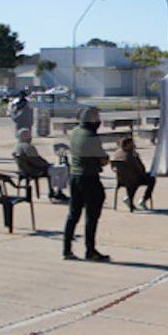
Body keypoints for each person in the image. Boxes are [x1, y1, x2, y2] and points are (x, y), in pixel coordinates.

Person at [62, 106, 110, 261]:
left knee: (73, 215)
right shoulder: (91, 136)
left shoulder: (75, 131)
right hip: (89, 178)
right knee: (91, 216)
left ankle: (66, 249)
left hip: (75, 176)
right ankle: (90, 250)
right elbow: (103, 160)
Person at [12, 128, 68, 201]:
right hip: (36, 170)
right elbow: (37, 161)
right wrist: (47, 165)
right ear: (24, 136)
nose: (30, 137)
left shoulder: (17, 146)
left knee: (54, 169)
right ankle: (59, 192)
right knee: (64, 168)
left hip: (25, 170)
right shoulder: (27, 147)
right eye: (28, 135)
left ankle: (52, 190)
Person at [110, 136, 156, 210]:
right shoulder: (131, 154)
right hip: (133, 179)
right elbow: (141, 168)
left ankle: (129, 197)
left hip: (121, 180)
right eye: (132, 144)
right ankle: (143, 200)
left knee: (133, 178)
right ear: (128, 145)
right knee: (151, 179)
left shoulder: (117, 153)